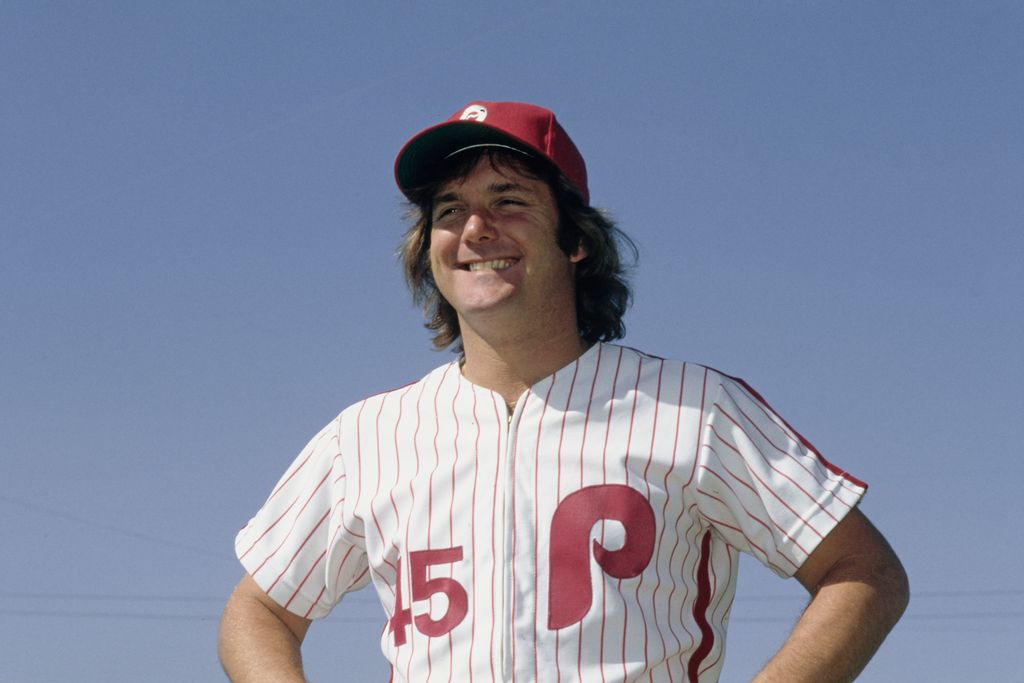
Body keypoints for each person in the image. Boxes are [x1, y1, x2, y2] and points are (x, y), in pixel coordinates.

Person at [218, 101, 909, 682]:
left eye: (508, 200)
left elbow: (864, 571)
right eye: (450, 208)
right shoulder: (366, 435)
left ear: (576, 239)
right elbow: (259, 609)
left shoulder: (693, 408)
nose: (475, 228)